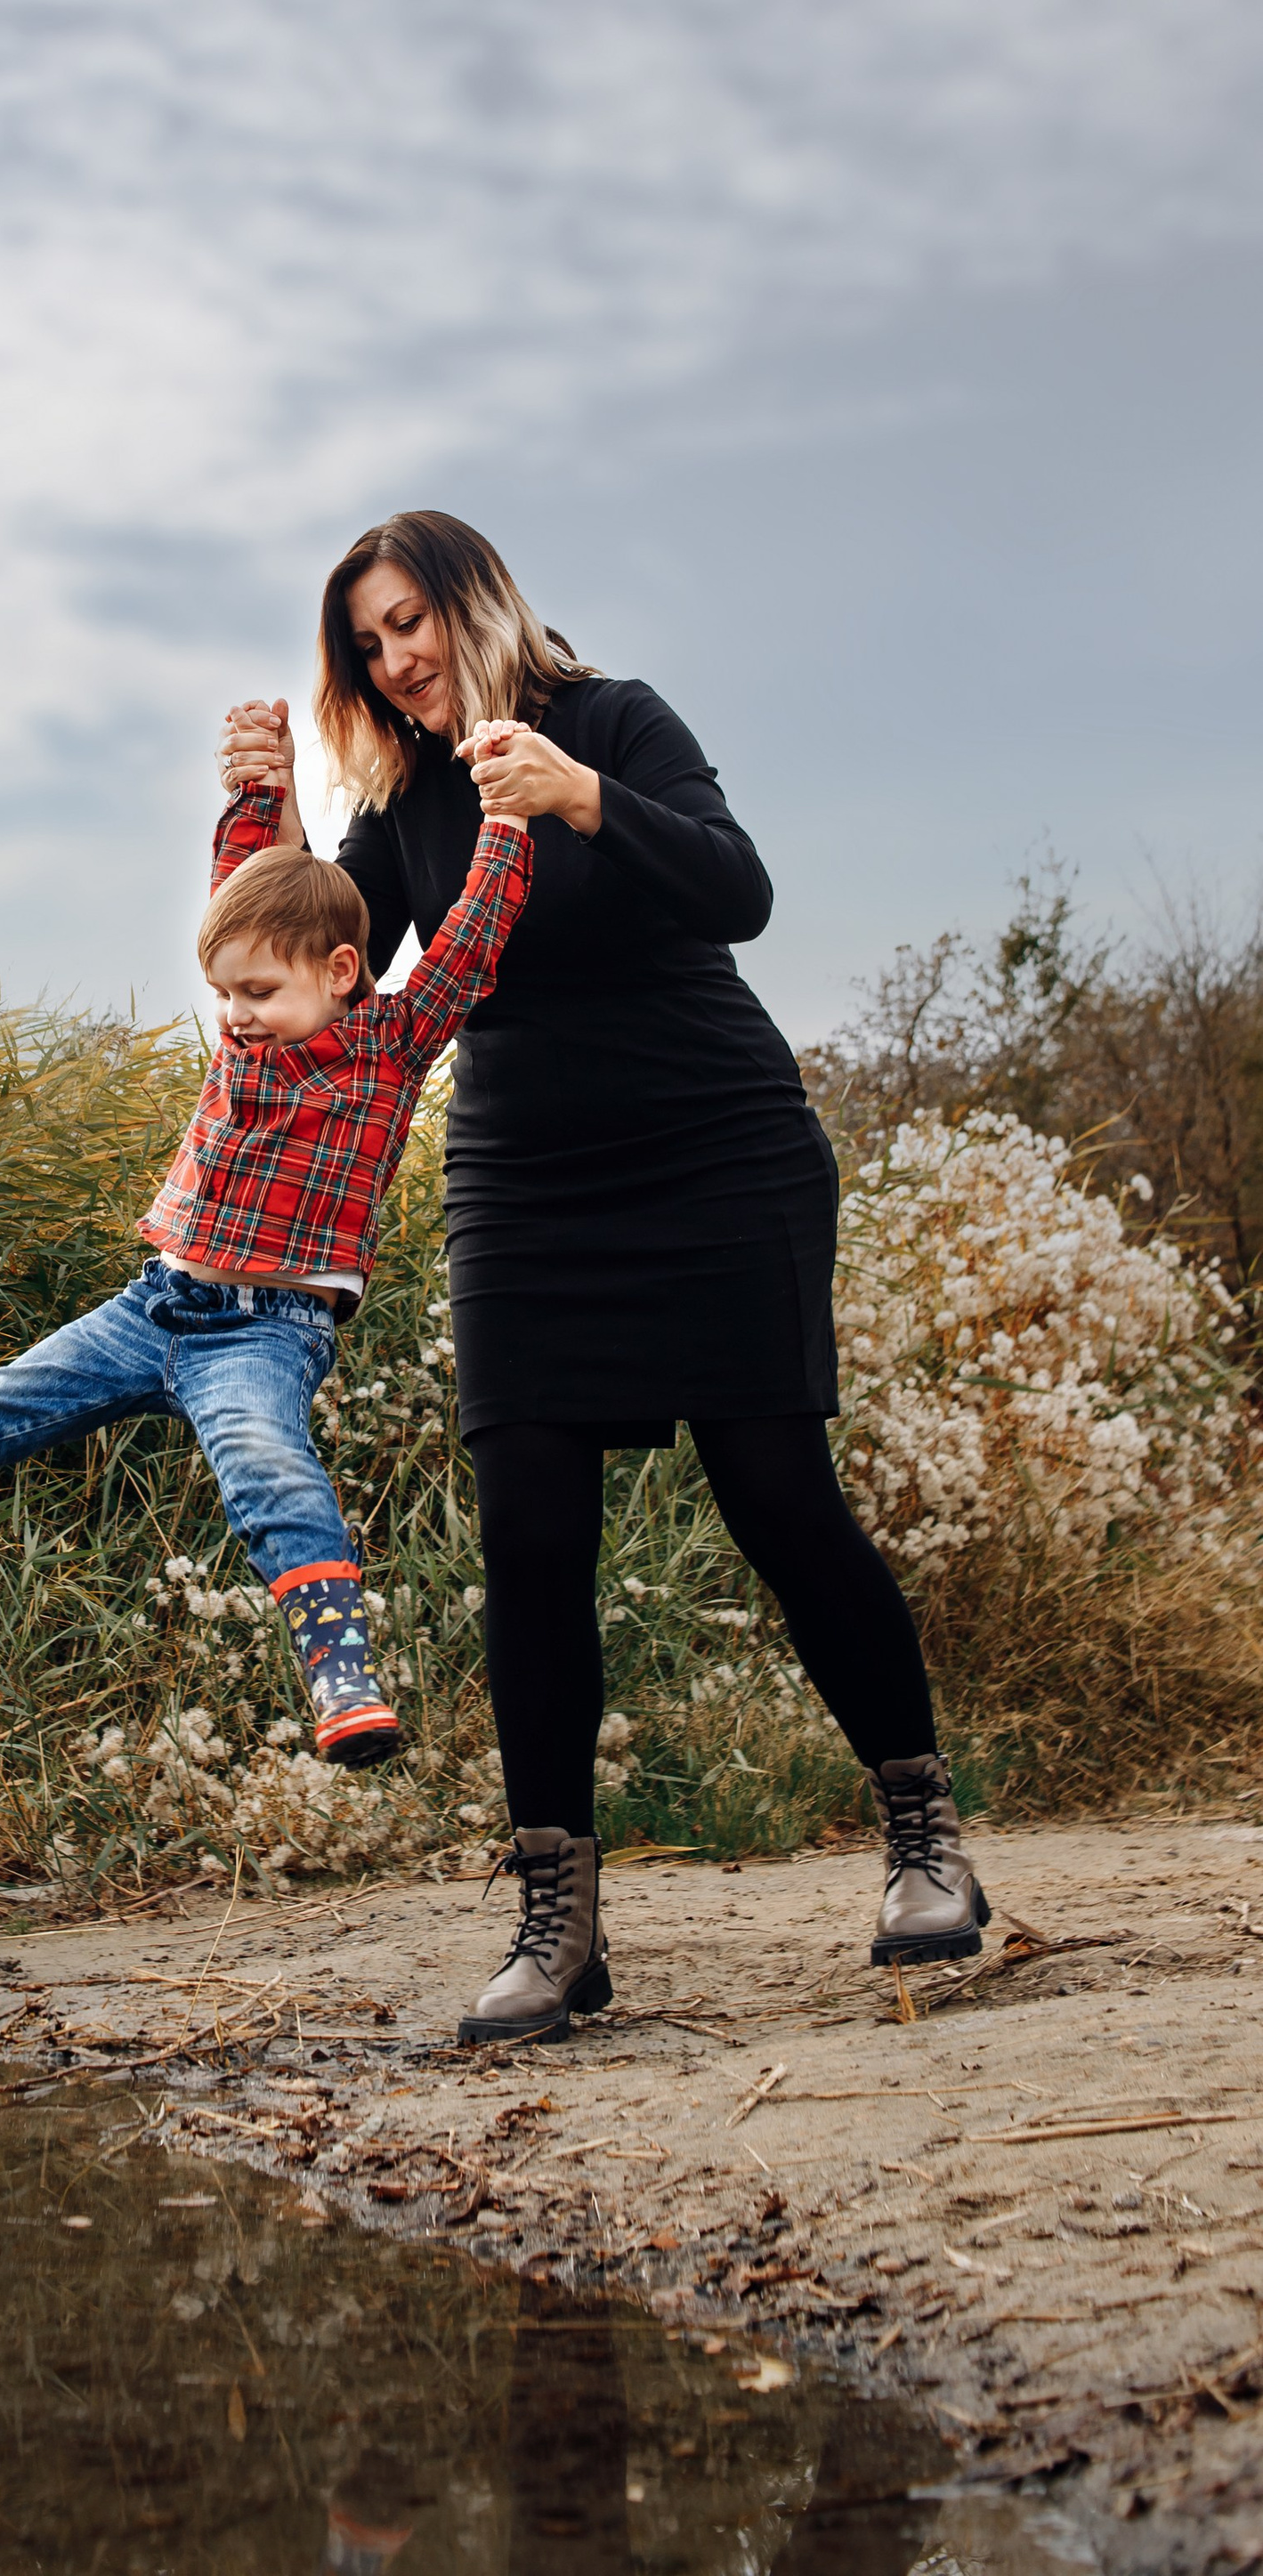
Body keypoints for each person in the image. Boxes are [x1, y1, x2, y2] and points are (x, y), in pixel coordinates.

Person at [219, 508, 987, 2045]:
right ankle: (557, 1925)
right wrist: (266, 812)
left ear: (472, 603)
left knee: (776, 1492)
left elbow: (736, 889)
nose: (394, 659)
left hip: (715, 1144)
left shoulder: (614, 722)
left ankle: (924, 1841)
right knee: (532, 1529)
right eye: (366, 644)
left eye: (408, 624)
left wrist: (580, 801)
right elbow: (317, 965)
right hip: (525, 1179)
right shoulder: (417, 805)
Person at [0, 791, 531, 1765]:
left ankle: (341, 1675)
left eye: (258, 995)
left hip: (267, 1329)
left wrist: (504, 821)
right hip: (152, 1306)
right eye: (225, 995)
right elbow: (240, 890)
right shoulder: (246, 1030)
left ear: (337, 974)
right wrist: (253, 789)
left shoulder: (388, 1047)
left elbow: (470, 941)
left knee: (267, 1468)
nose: (237, 1018)